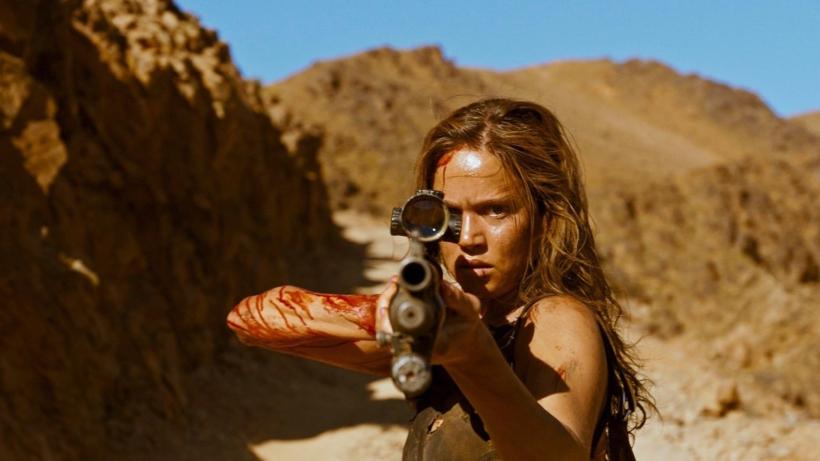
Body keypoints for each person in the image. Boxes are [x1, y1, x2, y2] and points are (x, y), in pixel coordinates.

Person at [227, 98, 653, 460]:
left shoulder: (555, 318)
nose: (468, 238)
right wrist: (390, 317)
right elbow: (250, 320)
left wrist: (473, 355)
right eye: (450, 216)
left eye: (496, 211)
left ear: (544, 219)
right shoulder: (452, 331)